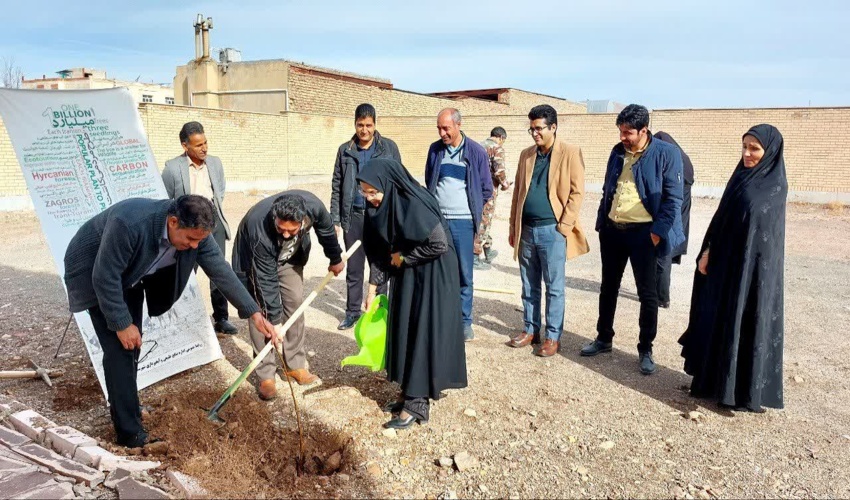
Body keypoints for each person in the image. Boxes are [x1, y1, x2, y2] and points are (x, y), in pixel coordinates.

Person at [63, 195, 276, 448]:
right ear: (173, 222)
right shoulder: (129, 223)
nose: (195, 246)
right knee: (121, 348)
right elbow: (105, 277)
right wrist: (121, 324)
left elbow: (219, 269)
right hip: (92, 272)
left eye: (199, 240)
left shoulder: (196, 231)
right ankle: (130, 434)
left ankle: (128, 406)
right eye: (190, 239)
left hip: (129, 274)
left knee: (133, 346)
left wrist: (253, 312)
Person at [679, 124, 787, 412]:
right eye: (745, 147)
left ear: (770, 152)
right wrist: (707, 252)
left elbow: (765, 238)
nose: (747, 154)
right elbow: (721, 219)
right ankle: (711, 382)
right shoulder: (740, 177)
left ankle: (739, 392)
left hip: (752, 277)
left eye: (754, 148)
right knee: (716, 320)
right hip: (724, 270)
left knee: (744, 324)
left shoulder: (774, 187)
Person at [356, 158, 467, 430]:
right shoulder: (379, 208)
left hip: (434, 273)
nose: (369, 198)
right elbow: (380, 252)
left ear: (388, 186)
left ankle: (417, 403)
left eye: (373, 192)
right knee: (405, 327)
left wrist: (403, 259)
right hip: (409, 270)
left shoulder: (413, 202)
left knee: (421, 331)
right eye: (364, 192)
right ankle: (408, 391)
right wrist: (372, 289)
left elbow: (439, 244)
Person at [581, 104, 684, 375]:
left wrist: (656, 234)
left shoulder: (666, 154)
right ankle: (604, 338)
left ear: (644, 130)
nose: (623, 137)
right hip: (613, 231)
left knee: (647, 294)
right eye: (621, 131)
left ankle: (645, 348)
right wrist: (602, 221)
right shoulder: (617, 152)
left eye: (628, 132)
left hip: (644, 235)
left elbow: (673, 200)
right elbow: (608, 187)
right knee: (608, 287)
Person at [232, 191, 345, 400]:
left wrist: (335, 258)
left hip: (290, 258)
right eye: (280, 229)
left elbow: (327, 231)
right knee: (262, 313)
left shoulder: (314, 207)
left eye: (291, 230)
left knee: (295, 303)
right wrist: (274, 322)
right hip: (257, 260)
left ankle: (295, 365)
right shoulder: (259, 227)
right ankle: (266, 375)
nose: (285, 235)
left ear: (303, 221)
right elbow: (266, 280)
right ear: (274, 217)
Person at [507, 105, 588, 357]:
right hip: (527, 230)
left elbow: (577, 192)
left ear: (553, 127)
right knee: (528, 284)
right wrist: (513, 226)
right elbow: (518, 193)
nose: (535, 133)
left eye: (539, 128)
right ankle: (531, 330)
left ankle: (553, 337)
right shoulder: (526, 155)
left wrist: (564, 227)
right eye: (531, 129)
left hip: (552, 231)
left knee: (554, 287)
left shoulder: (570, 152)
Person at [162, 122, 237, 335]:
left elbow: (219, 191)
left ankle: (221, 318)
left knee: (218, 270)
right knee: (185, 273)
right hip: (188, 227)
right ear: (185, 146)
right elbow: (166, 199)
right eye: (198, 145)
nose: (204, 148)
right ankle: (181, 319)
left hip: (213, 224)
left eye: (205, 143)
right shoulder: (172, 168)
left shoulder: (215, 163)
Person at [330, 103, 401, 330]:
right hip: (354, 217)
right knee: (354, 268)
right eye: (360, 125)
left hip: (380, 216)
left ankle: (380, 313)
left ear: (375, 125)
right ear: (355, 124)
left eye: (368, 125)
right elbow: (337, 185)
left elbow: (398, 180)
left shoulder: (388, 148)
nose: (364, 130)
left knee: (381, 265)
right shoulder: (345, 150)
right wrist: (335, 219)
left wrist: (395, 215)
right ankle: (352, 312)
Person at [424, 108, 493, 341]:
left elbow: (486, 189)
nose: (442, 133)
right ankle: (442, 318)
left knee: (464, 273)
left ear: (458, 125)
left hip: (464, 223)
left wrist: (470, 210)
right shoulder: (435, 150)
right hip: (439, 222)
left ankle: (464, 322)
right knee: (439, 271)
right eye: (439, 128)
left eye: (446, 128)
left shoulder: (476, 152)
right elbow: (430, 181)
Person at [653, 131, 695, 308]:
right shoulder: (683, 161)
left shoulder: (671, 162)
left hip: (669, 212)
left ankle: (662, 297)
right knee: (665, 253)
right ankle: (659, 294)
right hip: (679, 212)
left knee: (662, 254)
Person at [473, 126, 511, 270]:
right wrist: (505, 184)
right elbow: (499, 171)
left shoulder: (477, 146)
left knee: (482, 220)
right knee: (484, 222)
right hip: (488, 192)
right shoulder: (497, 148)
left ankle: (488, 250)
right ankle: (474, 257)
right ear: (501, 137)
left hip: (474, 190)